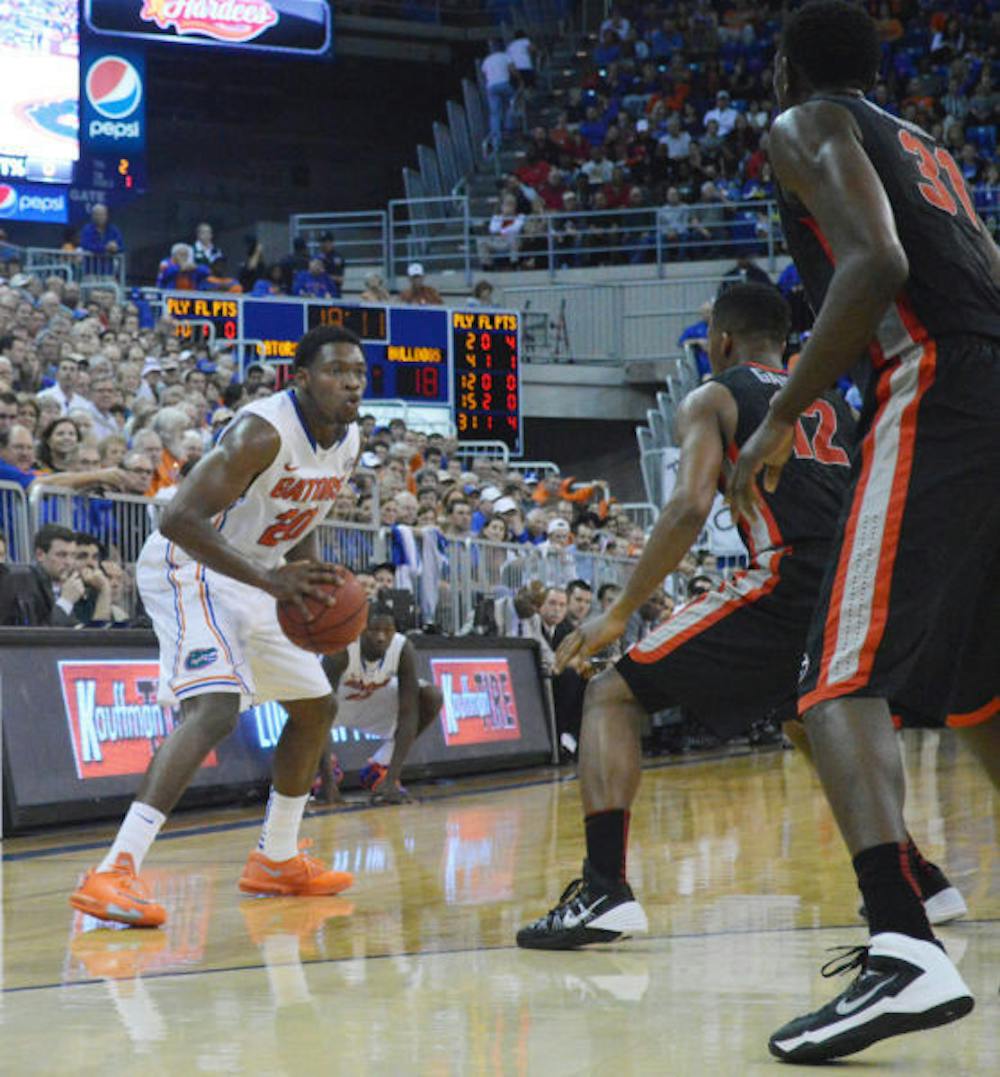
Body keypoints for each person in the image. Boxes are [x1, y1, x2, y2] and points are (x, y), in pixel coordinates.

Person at [515, 284, 965, 964]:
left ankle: (604, 890)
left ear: (720, 341)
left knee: (611, 691)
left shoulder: (714, 395)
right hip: (852, 577)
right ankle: (917, 877)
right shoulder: (834, 403)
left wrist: (615, 613)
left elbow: (689, 506)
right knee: (815, 720)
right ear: (784, 341)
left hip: (786, 575)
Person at [726, 3, 1000, 1062]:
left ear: (789, 66)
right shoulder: (922, 142)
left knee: (833, 680)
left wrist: (786, 409)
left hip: (937, 377)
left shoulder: (802, 124)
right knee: (979, 688)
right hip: (987, 376)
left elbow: (876, 265)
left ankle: (902, 945)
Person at [69, 325, 367, 928]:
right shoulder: (262, 431)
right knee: (216, 708)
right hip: (191, 567)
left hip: (257, 574)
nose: (352, 383)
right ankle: (113, 871)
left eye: (359, 373)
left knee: (315, 707)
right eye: (337, 372)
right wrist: (271, 581)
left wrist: (305, 579)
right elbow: (178, 519)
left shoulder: (349, 438)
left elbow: (295, 513)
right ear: (301, 378)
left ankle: (277, 859)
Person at [317, 605, 444, 804]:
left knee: (431, 696)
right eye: (374, 630)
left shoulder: (403, 649)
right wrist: (327, 782)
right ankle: (323, 769)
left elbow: (409, 713)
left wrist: (392, 779)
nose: (381, 637)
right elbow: (320, 716)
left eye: (387, 631)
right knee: (310, 711)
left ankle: (380, 767)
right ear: (361, 628)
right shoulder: (341, 649)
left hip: (369, 702)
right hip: (330, 707)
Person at [482, 39, 517, 149]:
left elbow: (484, 73)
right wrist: (520, 80)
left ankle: (496, 138)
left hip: (491, 87)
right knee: (511, 102)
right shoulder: (505, 56)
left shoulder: (486, 60)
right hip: (504, 84)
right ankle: (509, 126)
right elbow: (512, 70)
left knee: (494, 113)